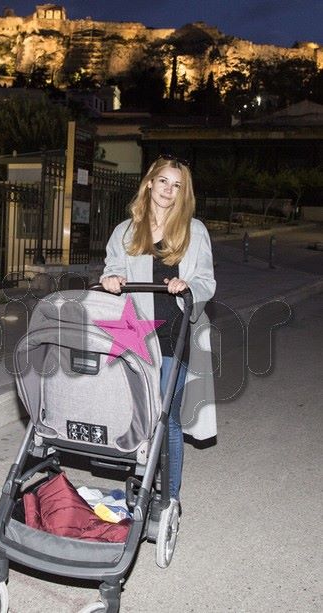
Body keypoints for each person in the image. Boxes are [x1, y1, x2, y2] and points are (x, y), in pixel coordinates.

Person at [100, 155, 216, 504]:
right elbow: (112, 267)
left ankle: (169, 498)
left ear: (184, 193)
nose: (169, 190)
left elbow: (206, 280)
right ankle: (140, 488)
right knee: (137, 415)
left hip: (176, 335)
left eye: (177, 185)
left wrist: (188, 285)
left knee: (165, 417)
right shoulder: (125, 230)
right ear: (150, 182)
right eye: (163, 181)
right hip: (135, 334)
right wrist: (111, 279)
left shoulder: (195, 231)